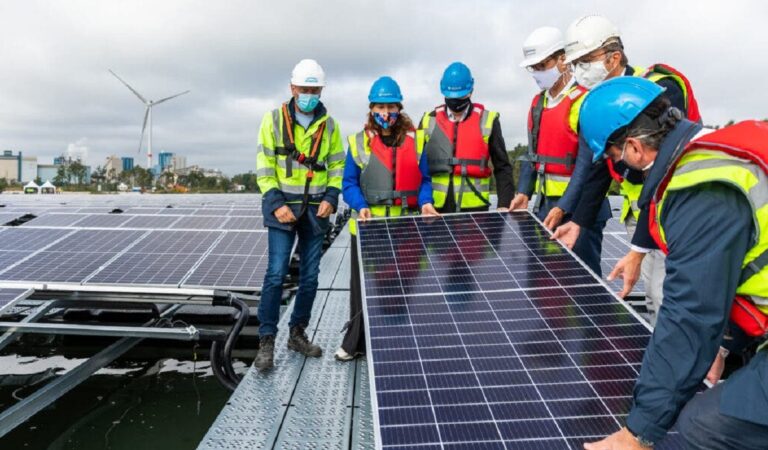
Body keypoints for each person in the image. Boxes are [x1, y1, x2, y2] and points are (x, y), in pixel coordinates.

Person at [579, 76, 768, 450]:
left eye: (614, 158)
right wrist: (725, 343)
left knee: (703, 423)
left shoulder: (700, 188)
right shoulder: (721, 152)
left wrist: (637, 433)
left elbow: (690, 315)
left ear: (634, 148)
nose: (617, 171)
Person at [551, 14, 700, 323]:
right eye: (574, 63)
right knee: (653, 296)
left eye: (585, 61)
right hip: (639, 214)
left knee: (669, 297)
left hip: (676, 212)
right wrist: (578, 221)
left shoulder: (658, 89)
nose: (578, 71)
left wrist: (637, 247)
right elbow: (599, 168)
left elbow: (664, 165)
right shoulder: (598, 103)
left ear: (613, 57)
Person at [334, 76, 438, 361]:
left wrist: (426, 202)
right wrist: (360, 205)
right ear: (371, 109)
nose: (384, 113)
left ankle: (397, 342)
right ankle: (355, 342)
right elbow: (348, 184)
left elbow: (426, 180)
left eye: (390, 106)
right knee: (363, 290)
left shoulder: (417, 141)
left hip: (406, 225)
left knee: (404, 284)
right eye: (379, 106)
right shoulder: (359, 142)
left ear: (399, 108)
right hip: (369, 227)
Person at [254, 59, 345, 371]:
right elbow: (265, 169)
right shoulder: (273, 120)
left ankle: (297, 333)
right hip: (281, 210)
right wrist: (276, 201)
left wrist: (332, 197)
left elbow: (337, 166)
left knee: (309, 277)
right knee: (276, 274)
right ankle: (266, 340)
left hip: (315, 211)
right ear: (292, 88)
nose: (309, 94)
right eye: (304, 89)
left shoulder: (330, 126)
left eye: (314, 89)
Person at [510, 26, 607, 275]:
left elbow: (586, 166)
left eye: (543, 65)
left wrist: (563, 206)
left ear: (563, 60)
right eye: (535, 68)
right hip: (545, 206)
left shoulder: (584, 102)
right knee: (544, 281)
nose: (538, 73)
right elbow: (532, 154)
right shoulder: (537, 104)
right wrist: (523, 192)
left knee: (582, 282)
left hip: (579, 209)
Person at [419, 62, 515, 213]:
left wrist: (504, 203)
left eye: (461, 96)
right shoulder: (428, 120)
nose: (455, 101)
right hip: (435, 210)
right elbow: (417, 168)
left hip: (476, 210)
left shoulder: (488, 120)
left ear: (471, 91)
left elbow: (502, 167)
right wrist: (423, 201)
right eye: (451, 97)